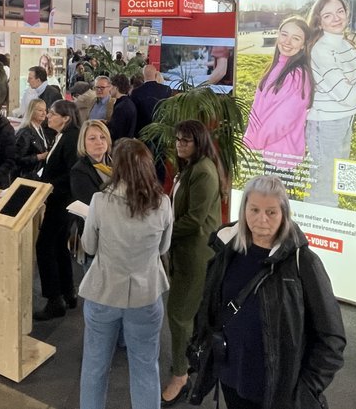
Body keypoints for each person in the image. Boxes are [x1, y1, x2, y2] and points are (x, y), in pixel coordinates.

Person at [191, 175, 345, 409]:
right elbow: (208, 306)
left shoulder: (303, 263)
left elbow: (331, 338)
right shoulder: (227, 251)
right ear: (243, 211)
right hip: (231, 378)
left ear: (284, 214)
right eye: (254, 210)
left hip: (277, 392)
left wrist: (306, 389)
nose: (261, 219)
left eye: (271, 212)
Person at [77, 139, 173, 409]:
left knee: (95, 367)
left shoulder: (99, 201)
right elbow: (163, 248)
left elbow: (89, 246)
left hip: (104, 292)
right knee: (145, 369)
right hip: (146, 295)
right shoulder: (162, 203)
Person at [162, 120, 223, 405]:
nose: (180, 145)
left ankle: (179, 375)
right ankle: (190, 362)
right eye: (177, 139)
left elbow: (196, 220)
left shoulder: (203, 171)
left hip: (195, 253)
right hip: (186, 250)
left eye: (186, 140)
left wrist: (161, 232)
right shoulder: (191, 168)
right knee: (190, 312)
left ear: (199, 142)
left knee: (178, 314)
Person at [305, 0, 356, 208]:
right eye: (328, 15)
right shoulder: (322, 49)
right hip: (326, 123)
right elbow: (347, 95)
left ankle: (330, 224)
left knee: (335, 177)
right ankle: (318, 230)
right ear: (319, 21)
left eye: (339, 12)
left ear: (347, 13)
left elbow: (353, 88)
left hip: (345, 118)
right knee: (324, 183)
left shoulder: (346, 45)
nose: (336, 18)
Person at [243, 16, 313, 170]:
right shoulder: (277, 65)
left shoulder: (298, 75)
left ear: (303, 45)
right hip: (271, 151)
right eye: (284, 34)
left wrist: (254, 140)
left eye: (296, 38)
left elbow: (282, 120)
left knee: (276, 193)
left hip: (282, 155)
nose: (287, 42)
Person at [34, 100, 82, 320]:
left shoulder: (71, 138)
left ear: (66, 118)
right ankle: (67, 292)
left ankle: (54, 300)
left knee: (44, 246)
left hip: (61, 201)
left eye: (52, 114)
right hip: (59, 200)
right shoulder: (62, 136)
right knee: (59, 246)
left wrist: (50, 186)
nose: (48, 117)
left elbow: (72, 173)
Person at [70, 120, 112, 207]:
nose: (99, 142)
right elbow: (91, 204)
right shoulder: (78, 171)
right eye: (92, 138)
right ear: (83, 142)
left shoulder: (116, 162)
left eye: (103, 137)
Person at [14, 98, 53, 181]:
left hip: (38, 174)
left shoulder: (41, 129)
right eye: (40, 110)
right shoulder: (25, 132)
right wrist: (39, 157)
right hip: (27, 176)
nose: (44, 113)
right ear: (32, 111)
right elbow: (17, 158)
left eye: (45, 110)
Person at [130, 64, 173, 137]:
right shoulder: (166, 90)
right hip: (161, 131)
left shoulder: (136, 92)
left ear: (143, 75)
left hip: (142, 132)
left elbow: (133, 114)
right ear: (156, 74)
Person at [107, 74, 137, 142]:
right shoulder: (128, 102)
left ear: (116, 88)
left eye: (110, 86)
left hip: (120, 145)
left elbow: (116, 132)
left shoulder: (121, 107)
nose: (109, 89)